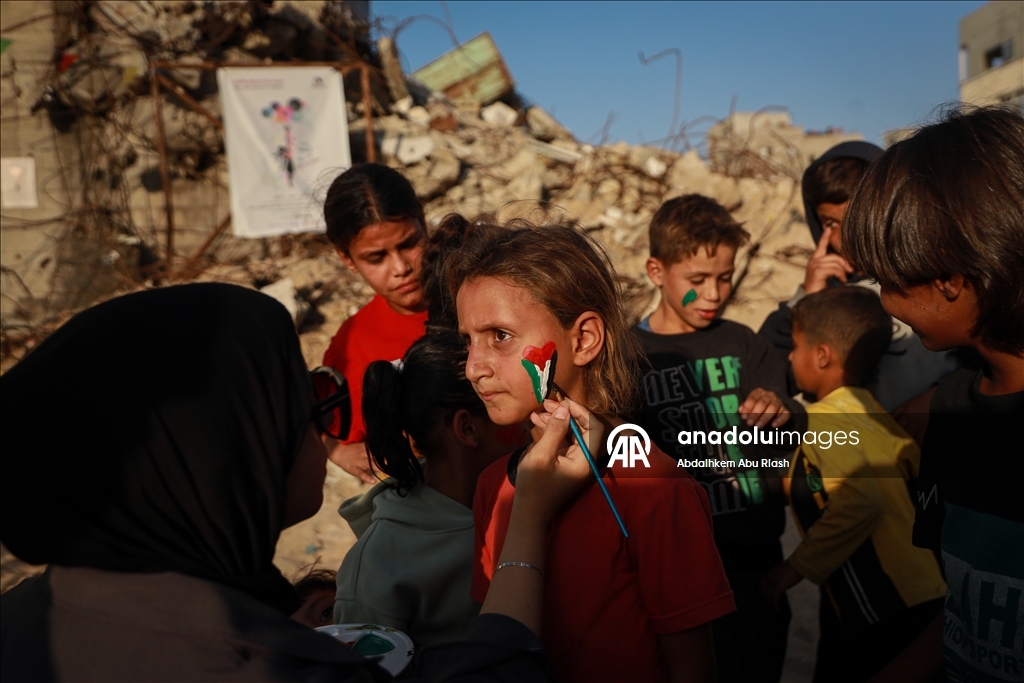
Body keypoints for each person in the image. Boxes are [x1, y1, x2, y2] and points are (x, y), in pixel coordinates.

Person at [0, 282, 597, 682]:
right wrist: (530, 517)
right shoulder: (265, 664)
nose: (329, 429)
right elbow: (498, 673)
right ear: (222, 451)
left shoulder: (33, 616)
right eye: (310, 402)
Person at [451, 217, 736, 683]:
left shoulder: (654, 489)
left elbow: (694, 669)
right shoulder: (494, 486)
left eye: (499, 336)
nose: (473, 368)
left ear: (583, 339)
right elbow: (497, 645)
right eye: (468, 341)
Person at [838, 105, 1024, 683]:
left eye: (886, 278)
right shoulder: (946, 412)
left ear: (949, 275)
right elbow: (965, 612)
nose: (882, 301)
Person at [631, 193, 805, 683]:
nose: (713, 294)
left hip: (756, 571)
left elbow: (790, 432)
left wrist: (782, 411)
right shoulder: (629, 358)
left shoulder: (748, 345)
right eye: (697, 280)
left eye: (724, 278)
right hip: (675, 572)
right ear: (655, 271)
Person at [759, 287, 945, 683]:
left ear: (823, 355)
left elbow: (863, 500)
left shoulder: (826, 421)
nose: (790, 358)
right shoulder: (877, 418)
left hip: (885, 604)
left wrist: (792, 569)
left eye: (794, 347)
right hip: (930, 597)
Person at [334, 331, 510, 648]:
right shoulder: (379, 566)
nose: (527, 421)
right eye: (505, 406)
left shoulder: (527, 497)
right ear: (468, 428)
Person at [757, 141, 958, 415]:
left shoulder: (930, 278)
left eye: (856, 218)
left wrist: (939, 398)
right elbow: (769, 369)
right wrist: (806, 297)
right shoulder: (827, 291)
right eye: (830, 224)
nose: (846, 237)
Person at [322, 163, 429, 484]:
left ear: (423, 223)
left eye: (409, 244)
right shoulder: (354, 345)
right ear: (347, 259)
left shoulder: (476, 297)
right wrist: (335, 450)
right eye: (376, 257)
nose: (400, 268)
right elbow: (330, 429)